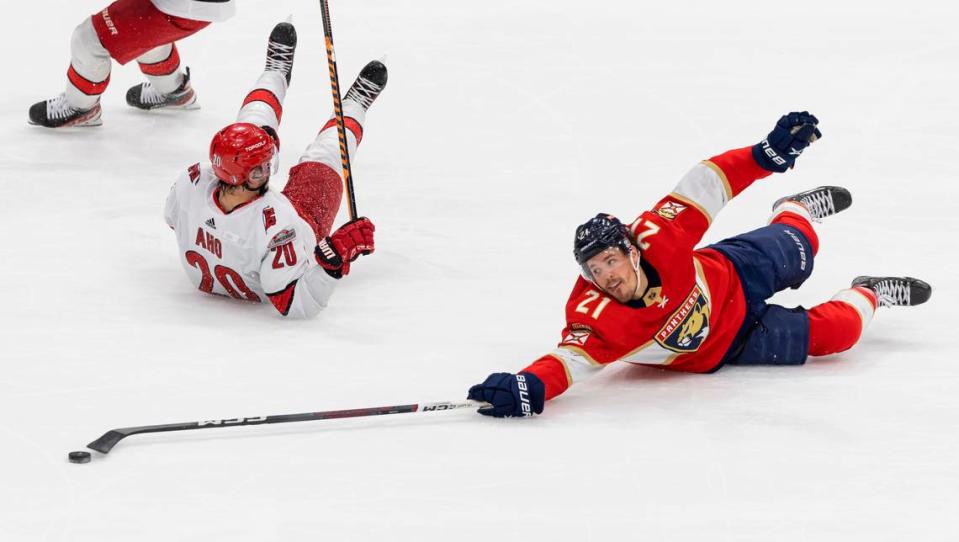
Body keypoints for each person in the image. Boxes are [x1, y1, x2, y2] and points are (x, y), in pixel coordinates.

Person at [467, 112, 932, 417]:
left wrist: (762, 156)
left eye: (610, 260)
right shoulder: (596, 316)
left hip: (734, 269)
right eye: (594, 270)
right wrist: (529, 385)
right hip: (730, 345)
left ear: (631, 250)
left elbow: (709, 183)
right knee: (840, 334)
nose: (605, 276)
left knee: (804, 246)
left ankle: (795, 207)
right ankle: (870, 290)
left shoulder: (659, 234)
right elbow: (568, 359)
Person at [163, 21, 386, 318]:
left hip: (255, 219)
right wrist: (330, 264)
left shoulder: (194, 180)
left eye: (269, 164)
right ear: (236, 178)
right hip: (303, 221)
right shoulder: (282, 225)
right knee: (327, 154)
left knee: (252, 126)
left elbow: (173, 219)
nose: (269, 171)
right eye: (259, 171)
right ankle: (355, 104)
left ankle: (276, 71)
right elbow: (296, 304)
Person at [29, 0, 237, 128]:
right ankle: (173, 90)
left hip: (180, 5)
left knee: (88, 40)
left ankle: (81, 108)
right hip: (195, 6)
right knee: (144, 35)